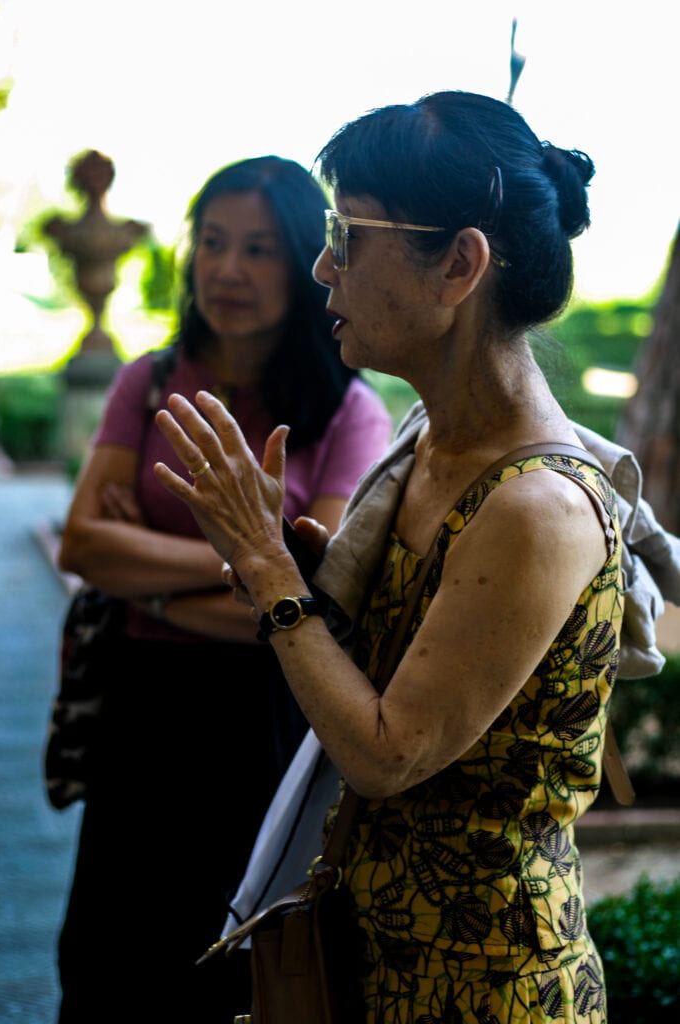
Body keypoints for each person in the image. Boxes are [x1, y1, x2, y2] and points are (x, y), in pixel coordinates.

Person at [154, 93, 626, 1023]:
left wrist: (269, 572)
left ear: (458, 263)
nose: (321, 266)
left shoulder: (535, 503)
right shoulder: (433, 442)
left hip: (483, 980)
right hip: (375, 949)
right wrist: (315, 583)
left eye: (348, 233)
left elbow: (387, 752)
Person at [55, 155, 392, 1024]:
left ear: (304, 260)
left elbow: (317, 605)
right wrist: (251, 561)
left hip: (263, 712)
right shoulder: (151, 379)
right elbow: (86, 542)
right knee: (109, 952)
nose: (227, 269)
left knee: (236, 964)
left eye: (256, 249)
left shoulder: (348, 413)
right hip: (142, 705)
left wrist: (154, 580)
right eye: (211, 243)